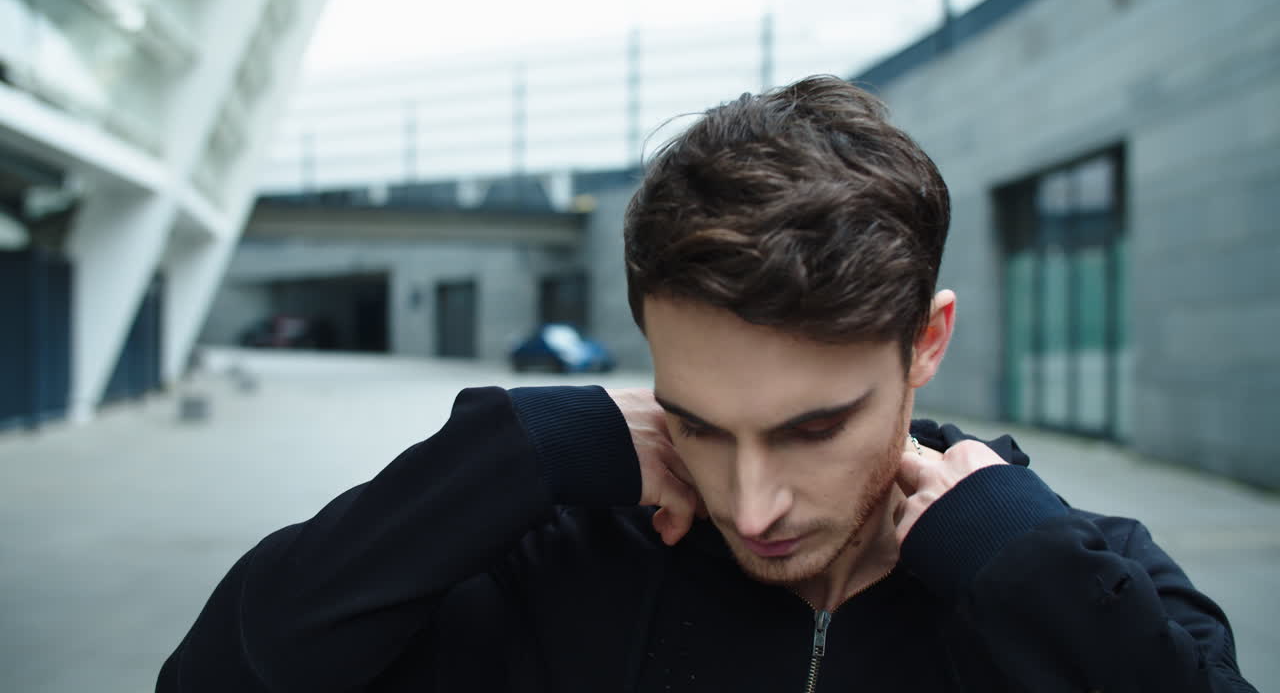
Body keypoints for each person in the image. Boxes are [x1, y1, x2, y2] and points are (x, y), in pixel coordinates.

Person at [157, 75, 1255, 692]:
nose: (751, 505)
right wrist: (506, 454)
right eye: (699, 426)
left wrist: (1029, 575)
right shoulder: (559, 562)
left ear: (925, 344)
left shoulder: (1083, 578)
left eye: (813, 428)